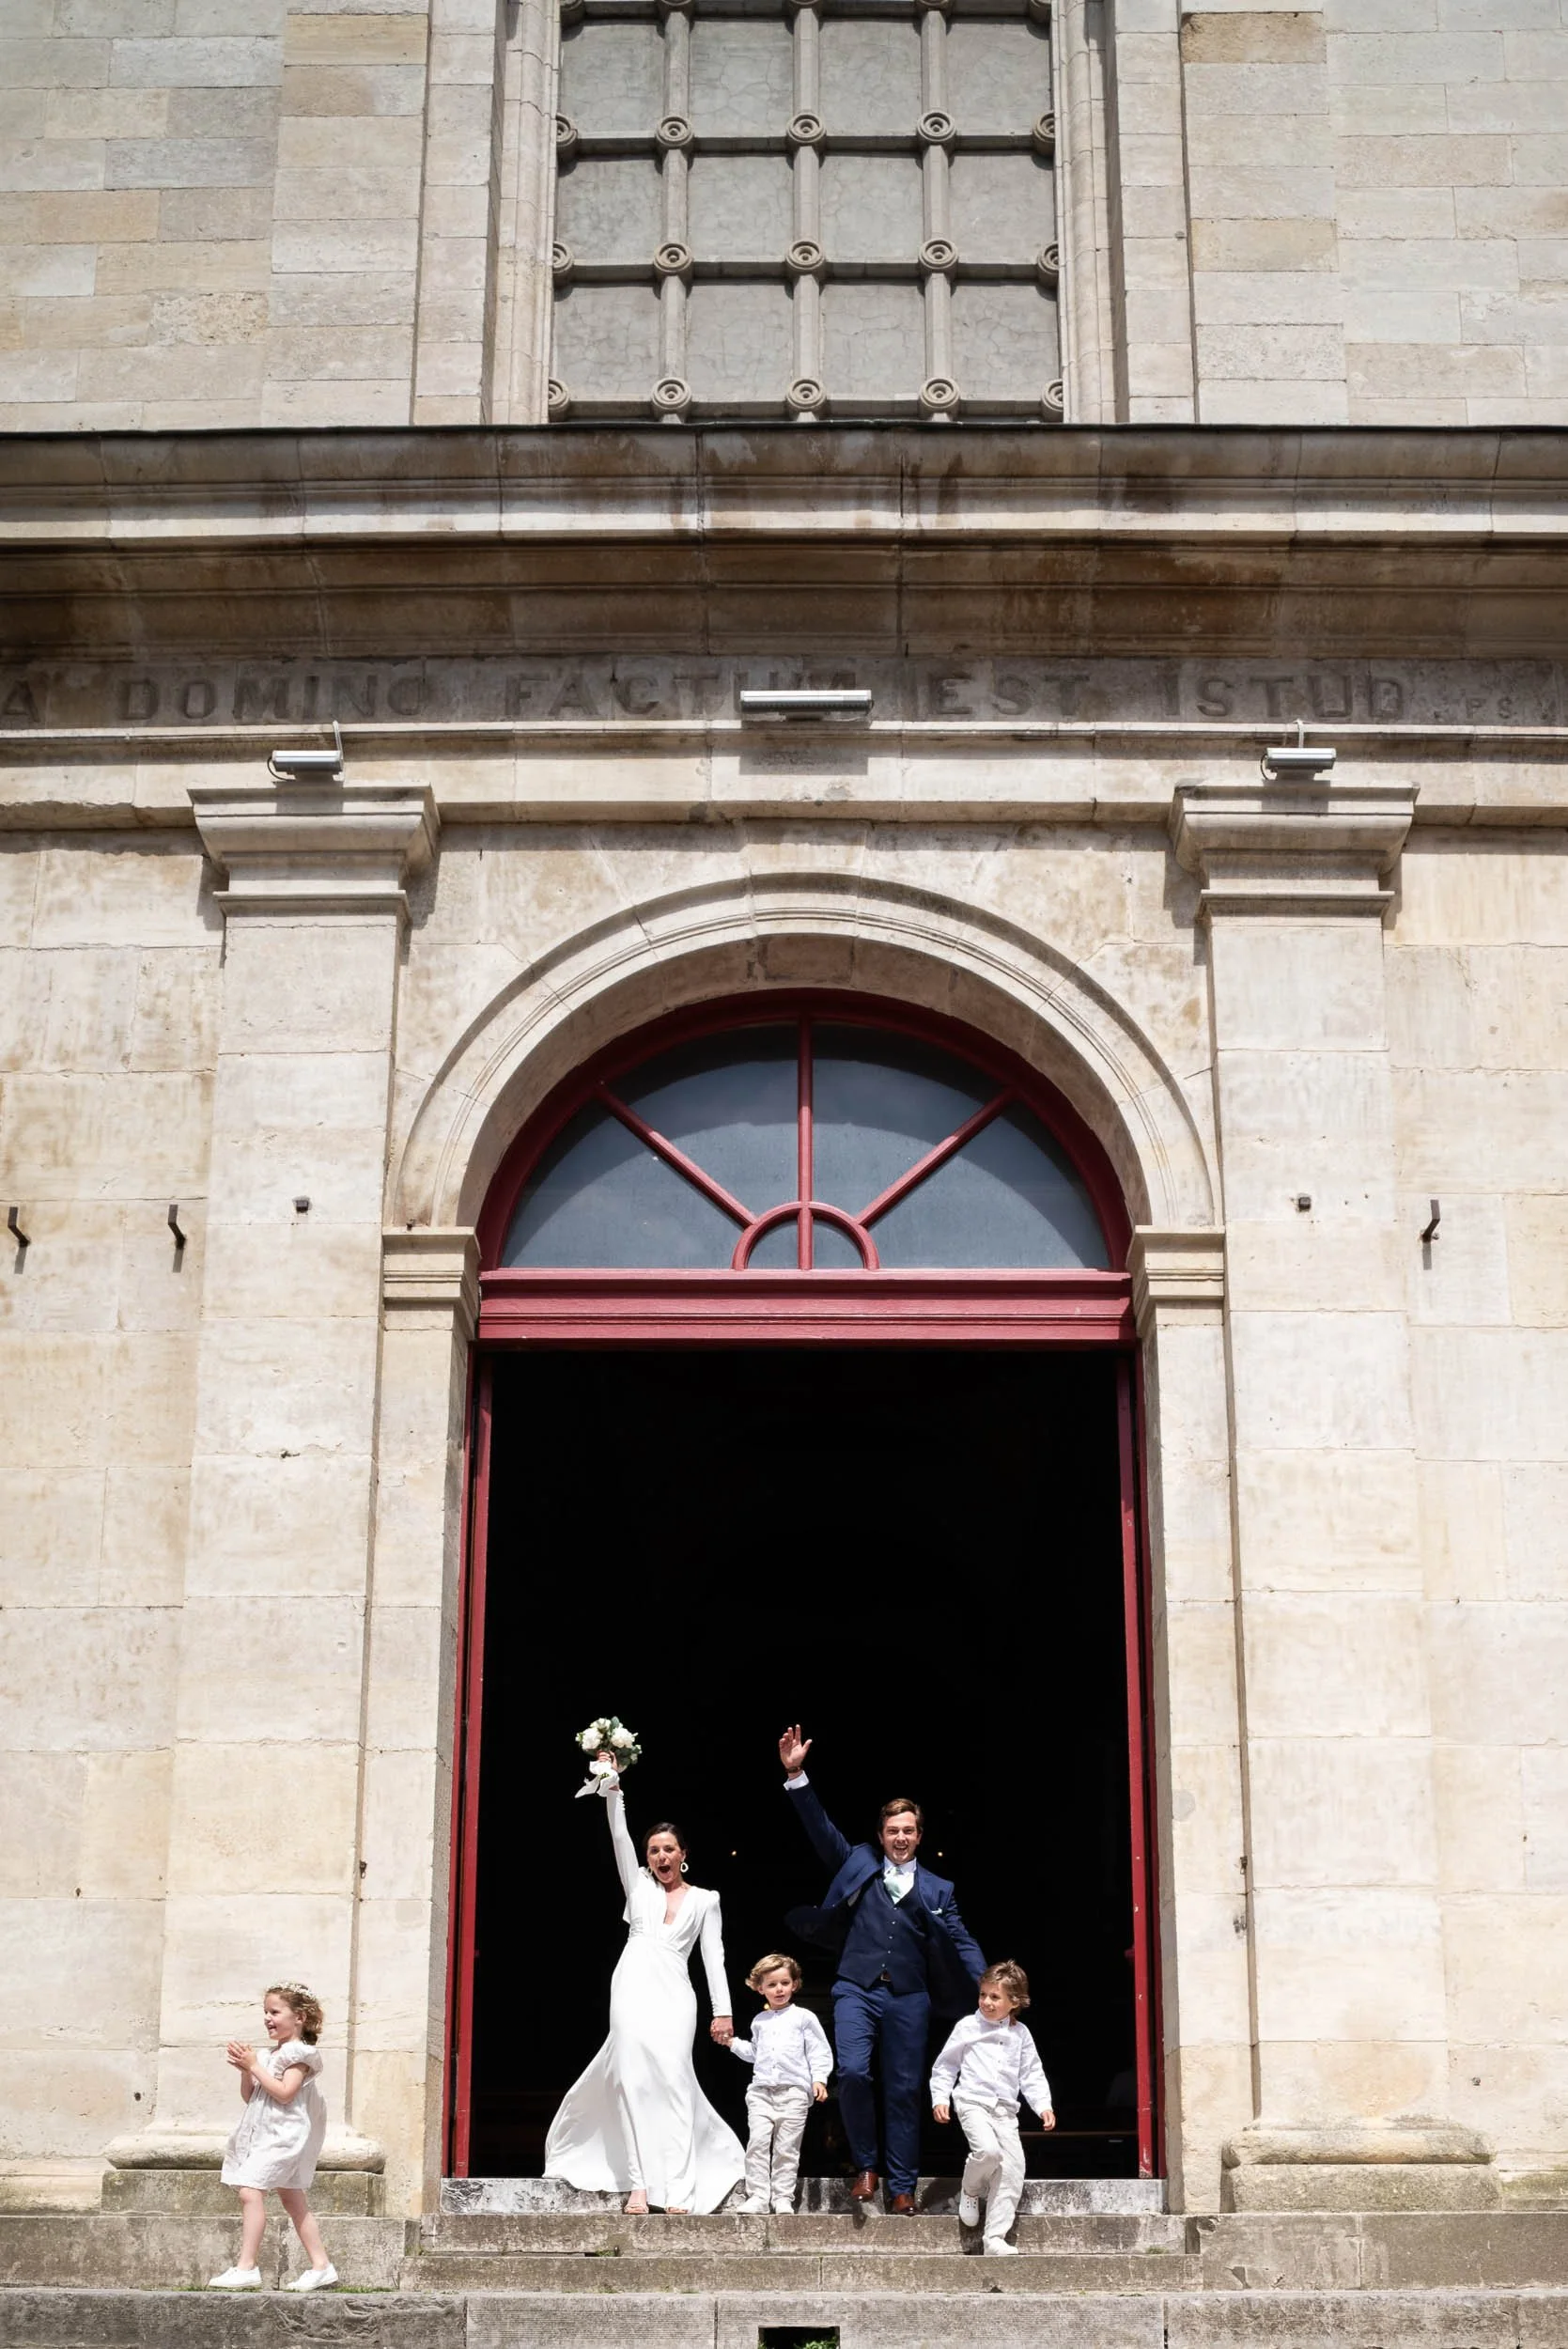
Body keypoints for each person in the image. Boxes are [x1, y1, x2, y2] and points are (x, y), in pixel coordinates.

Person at [777, 1723, 985, 2214]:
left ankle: (902, 2186)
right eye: (892, 1831)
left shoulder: (939, 1889)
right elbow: (821, 1830)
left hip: (910, 1997)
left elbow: (961, 1940)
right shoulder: (859, 1863)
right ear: (880, 1834)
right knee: (851, 2072)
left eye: (908, 1831)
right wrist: (797, 1775)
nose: (900, 1838)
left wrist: (988, 1985)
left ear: (918, 1835)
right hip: (857, 1988)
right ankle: (866, 2166)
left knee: (905, 2089)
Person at [545, 1758, 743, 2214]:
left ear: (683, 1853)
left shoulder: (706, 1900)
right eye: (653, 1850)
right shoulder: (638, 1886)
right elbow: (618, 1835)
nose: (660, 1857)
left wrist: (723, 2011)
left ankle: (677, 2187)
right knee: (632, 2082)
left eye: (668, 1849)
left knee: (673, 2081)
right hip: (632, 1986)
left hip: (676, 1995)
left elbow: (715, 1958)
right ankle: (640, 2184)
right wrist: (613, 1789)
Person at [208, 1982, 335, 2292]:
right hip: (267, 2134)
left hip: (284, 2135)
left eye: (275, 2012)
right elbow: (250, 2095)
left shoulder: (298, 2054)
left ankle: (246, 2266)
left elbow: (284, 2093)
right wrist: (245, 2070)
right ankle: (322, 2266)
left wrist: (255, 2065)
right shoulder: (268, 2055)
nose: (268, 2018)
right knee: (292, 2199)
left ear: (299, 2017)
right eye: (265, 2012)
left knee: (250, 2190)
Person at [930, 1958, 1054, 2257]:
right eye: (983, 1994)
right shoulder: (968, 2026)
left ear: (1015, 2002)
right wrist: (940, 2097)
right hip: (972, 2102)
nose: (986, 2002)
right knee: (988, 2152)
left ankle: (995, 2237)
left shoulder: (1020, 2034)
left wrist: (1043, 2106)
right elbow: (946, 2065)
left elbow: (1031, 2073)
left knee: (1012, 2169)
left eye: (994, 1997)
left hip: (1005, 2111)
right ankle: (971, 2191)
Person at [730, 1952, 833, 2215]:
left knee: (787, 2148)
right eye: (772, 1984)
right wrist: (731, 2043)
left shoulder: (804, 2017)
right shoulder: (759, 2021)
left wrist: (819, 2079)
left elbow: (818, 2050)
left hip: (794, 2092)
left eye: (784, 1983)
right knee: (757, 2144)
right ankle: (758, 2196)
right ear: (760, 1988)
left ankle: (782, 2197)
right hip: (761, 2092)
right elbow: (756, 2054)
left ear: (794, 1984)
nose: (779, 1989)